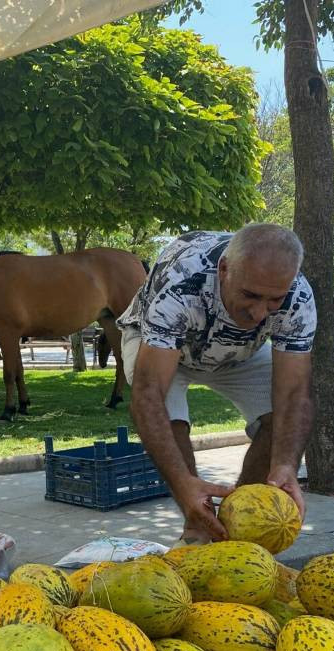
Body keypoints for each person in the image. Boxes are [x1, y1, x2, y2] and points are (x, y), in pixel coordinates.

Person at [117, 224, 315, 543]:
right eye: (249, 295)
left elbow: (294, 394)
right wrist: (183, 484)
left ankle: (239, 525)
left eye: (273, 300)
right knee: (170, 420)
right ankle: (197, 528)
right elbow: (148, 394)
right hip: (162, 346)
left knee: (281, 421)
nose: (259, 312)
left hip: (240, 351)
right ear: (224, 269)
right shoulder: (181, 279)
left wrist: (285, 464)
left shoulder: (299, 297)